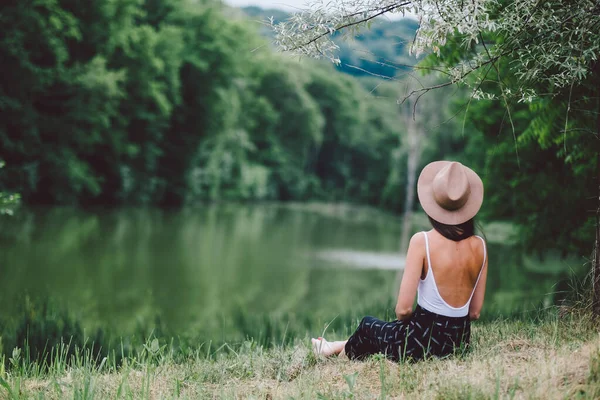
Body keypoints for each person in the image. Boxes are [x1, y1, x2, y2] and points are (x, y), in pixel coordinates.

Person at [312, 161, 488, 362]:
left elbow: (403, 310)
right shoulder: (480, 246)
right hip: (459, 343)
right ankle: (332, 347)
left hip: (419, 346)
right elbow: (474, 313)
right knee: (387, 330)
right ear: (466, 203)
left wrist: (412, 325)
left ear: (434, 203)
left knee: (368, 325)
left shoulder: (423, 241)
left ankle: (336, 359)